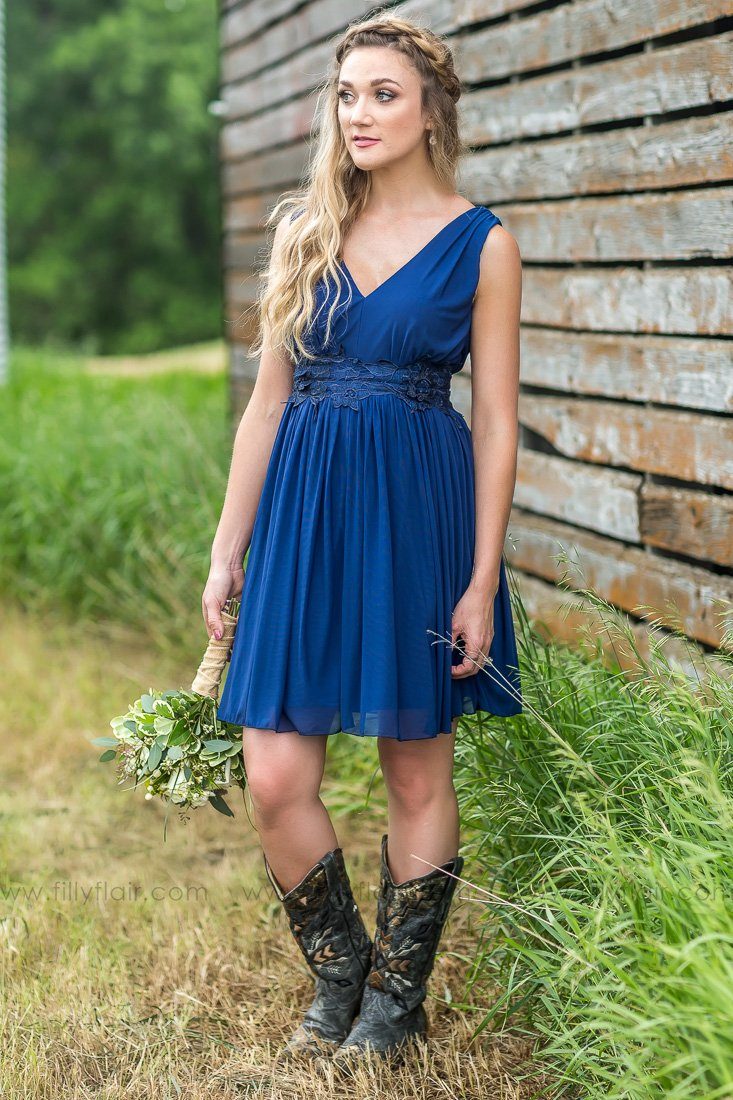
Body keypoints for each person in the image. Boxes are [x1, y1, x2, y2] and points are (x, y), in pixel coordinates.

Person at [202, 11, 523, 1064]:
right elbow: (264, 406)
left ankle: (394, 1003)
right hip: (301, 512)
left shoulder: (485, 244)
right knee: (274, 772)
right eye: (347, 95)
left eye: (383, 93)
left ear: (433, 108)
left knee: (413, 767)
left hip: (414, 514)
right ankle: (341, 969)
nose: (359, 114)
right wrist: (226, 545)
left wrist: (479, 578)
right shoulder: (307, 226)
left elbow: (495, 423)